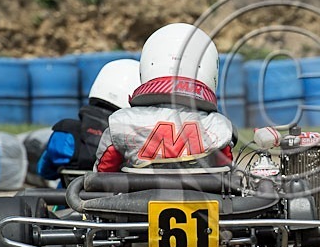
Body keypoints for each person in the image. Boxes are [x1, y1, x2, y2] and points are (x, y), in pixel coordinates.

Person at [95, 23, 236, 172]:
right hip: (203, 195)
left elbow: (101, 178)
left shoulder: (121, 123)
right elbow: (227, 178)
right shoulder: (220, 127)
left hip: (138, 195)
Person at [37, 58, 141, 182]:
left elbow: (44, 171)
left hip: (68, 199)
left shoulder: (65, 134)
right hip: (118, 199)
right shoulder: (135, 139)